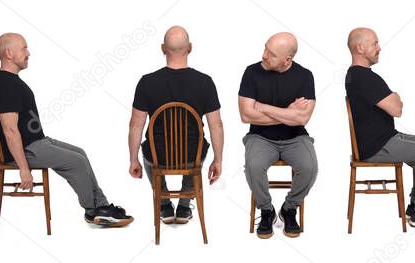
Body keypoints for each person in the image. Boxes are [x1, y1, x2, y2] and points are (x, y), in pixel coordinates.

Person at [0, 32, 133, 228]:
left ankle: (101, 206)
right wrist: (24, 169)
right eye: (24, 48)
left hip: (36, 141)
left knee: (80, 153)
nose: (28, 53)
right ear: (9, 53)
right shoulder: (5, 84)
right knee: (76, 162)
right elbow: (10, 130)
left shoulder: (10, 80)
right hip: (26, 150)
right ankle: (92, 211)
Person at [345, 27, 415, 231]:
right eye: (374, 43)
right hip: (375, 147)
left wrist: (393, 96)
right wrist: (394, 96)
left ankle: (414, 206)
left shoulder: (359, 75)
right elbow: (396, 109)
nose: (379, 48)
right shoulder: (363, 77)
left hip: (382, 139)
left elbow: (393, 104)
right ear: (360, 47)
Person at [127, 26, 223, 228]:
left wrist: (133, 159)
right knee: (198, 148)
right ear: (190, 48)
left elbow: (136, 125)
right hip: (192, 157)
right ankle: (185, 206)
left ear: (163, 49)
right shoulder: (205, 82)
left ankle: (164, 205)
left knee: (148, 148)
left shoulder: (146, 82)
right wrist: (218, 159)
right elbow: (216, 125)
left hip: (158, 157)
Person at [238, 32, 317, 239]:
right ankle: (266, 210)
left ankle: (289, 208)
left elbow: (302, 119)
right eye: (265, 48)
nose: (264, 55)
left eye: (271, 54)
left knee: (310, 168)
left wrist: (263, 107)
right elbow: (246, 115)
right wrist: (288, 112)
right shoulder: (251, 72)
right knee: (253, 167)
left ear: (287, 60)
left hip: (296, 137)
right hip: (260, 137)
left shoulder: (305, 76)